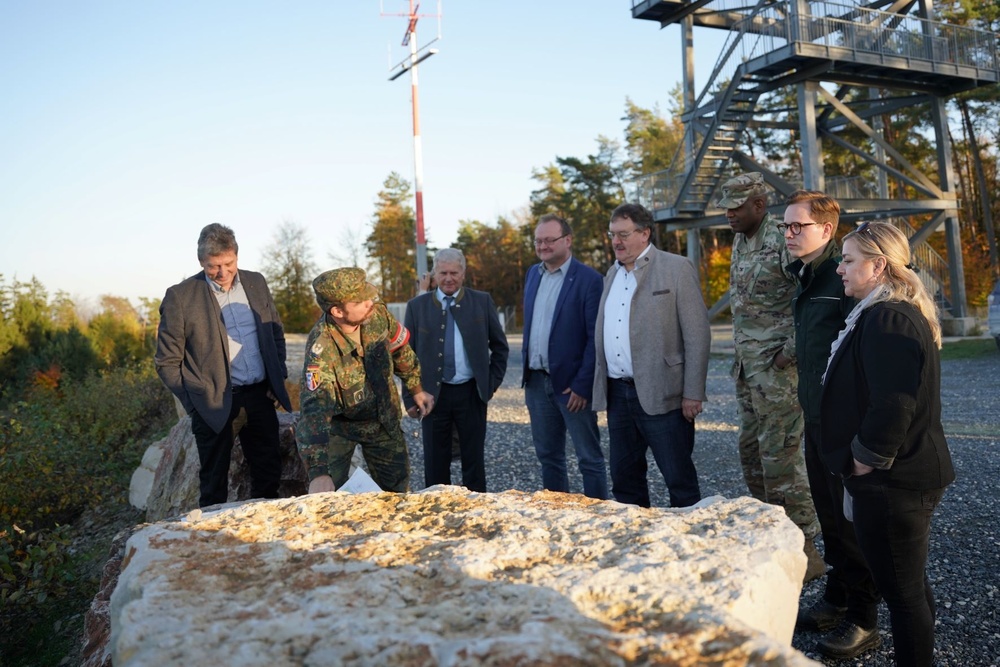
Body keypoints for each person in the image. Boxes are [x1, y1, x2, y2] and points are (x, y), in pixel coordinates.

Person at [820, 221, 954, 666]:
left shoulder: (887, 316)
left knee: (901, 593)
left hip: (894, 481)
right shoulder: (882, 311)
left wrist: (864, 462)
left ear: (878, 265)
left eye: (849, 260)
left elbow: (894, 403)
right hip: (899, 477)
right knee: (908, 584)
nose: (840, 268)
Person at [782, 191, 881, 656]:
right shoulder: (804, 273)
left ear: (826, 228)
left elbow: (860, 350)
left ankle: (864, 618)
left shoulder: (841, 275)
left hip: (843, 422)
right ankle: (838, 598)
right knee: (829, 517)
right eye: (785, 226)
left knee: (852, 522)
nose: (788, 234)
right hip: (816, 417)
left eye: (797, 226)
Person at [720, 173, 823, 581]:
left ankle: (807, 548)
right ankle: (771, 536)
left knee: (781, 458)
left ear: (759, 205)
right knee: (751, 453)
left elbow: (811, 300)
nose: (729, 213)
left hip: (778, 374)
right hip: (748, 370)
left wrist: (788, 355)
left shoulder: (783, 239)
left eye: (736, 206)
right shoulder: (740, 239)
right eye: (726, 206)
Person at [155, 223, 292, 508]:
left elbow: (275, 332)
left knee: (268, 476)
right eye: (213, 266)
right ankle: (213, 542)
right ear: (200, 262)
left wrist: (277, 377)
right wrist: (195, 405)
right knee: (214, 484)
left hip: (259, 397)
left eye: (228, 263)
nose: (222, 272)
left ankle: (262, 541)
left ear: (237, 256)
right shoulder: (180, 297)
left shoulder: (257, 282)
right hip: (213, 404)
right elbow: (167, 362)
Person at [592, 203, 710, 508]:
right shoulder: (611, 274)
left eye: (623, 234)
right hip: (619, 395)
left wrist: (693, 393)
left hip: (665, 395)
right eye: (612, 234)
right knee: (625, 481)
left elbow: (697, 334)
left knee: (679, 481)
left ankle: (691, 548)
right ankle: (636, 547)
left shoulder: (676, 268)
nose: (616, 241)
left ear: (645, 233)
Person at [296, 267, 434, 493]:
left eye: (368, 295)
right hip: (340, 428)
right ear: (338, 311)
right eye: (360, 301)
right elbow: (314, 410)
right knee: (328, 496)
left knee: (398, 493)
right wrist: (319, 472)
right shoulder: (322, 347)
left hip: (382, 419)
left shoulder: (377, 315)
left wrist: (416, 388)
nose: (370, 302)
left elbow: (400, 351)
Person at [403, 248, 509, 492]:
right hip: (431, 396)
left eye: (454, 272)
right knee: (434, 462)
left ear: (463, 273)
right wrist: (410, 396)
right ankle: (437, 514)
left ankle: (476, 513)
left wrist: (489, 384)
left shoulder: (481, 302)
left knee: (473, 460)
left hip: (471, 393)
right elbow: (405, 357)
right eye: (443, 273)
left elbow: (501, 348)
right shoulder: (417, 307)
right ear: (434, 274)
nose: (448, 278)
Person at [522, 214, 608, 499]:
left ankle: (598, 513)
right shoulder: (533, 274)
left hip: (571, 387)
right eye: (538, 240)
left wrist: (583, 385)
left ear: (567, 240)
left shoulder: (589, 280)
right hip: (536, 382)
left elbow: (595, 338)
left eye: (550, 239)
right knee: (549, 457)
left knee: (589, 458)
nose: (543, 246)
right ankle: (558, 514)